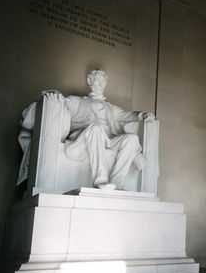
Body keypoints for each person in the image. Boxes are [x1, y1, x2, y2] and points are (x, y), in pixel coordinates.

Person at [18, 69, 155, 190]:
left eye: (103, 83)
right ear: (90, 81)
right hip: (83, 139)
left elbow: (128, 115)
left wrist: (143, 115)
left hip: (108, 140)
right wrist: (55, 96)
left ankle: (117, 183)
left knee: (132, 139)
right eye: (97, 82)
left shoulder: (111, 108)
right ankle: (100, 180)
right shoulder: (77, 101)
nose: (101, 85)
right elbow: (61, 102)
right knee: (96, 129)